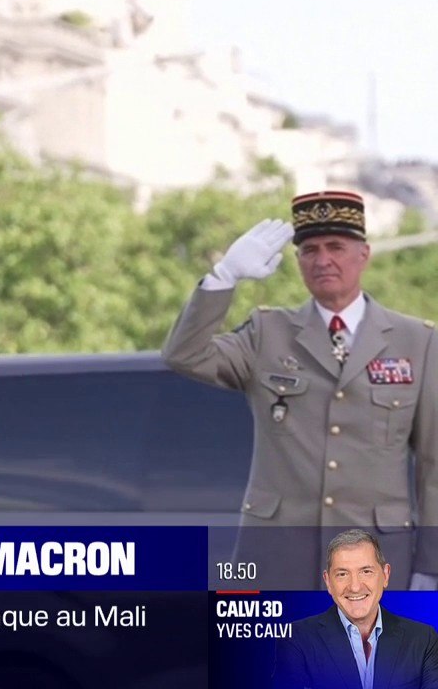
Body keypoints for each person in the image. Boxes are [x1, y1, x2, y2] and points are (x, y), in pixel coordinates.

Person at [163, 191, 438, 590]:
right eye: (309, 250)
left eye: (335, 247)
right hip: (276, 561)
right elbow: (184, 355)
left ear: (364, 254)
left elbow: (433, 465)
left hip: (377, 562)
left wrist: (430, 566)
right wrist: (224, 276)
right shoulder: (267, 333)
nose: (322, 260)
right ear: (297, 261)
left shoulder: (417, 342)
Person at [273, 529, 438, 689]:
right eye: (342, 574)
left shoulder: (423, 639)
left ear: (385, 575)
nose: (355, 587)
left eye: (366, 571)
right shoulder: (295, 639)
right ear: (328, 581)